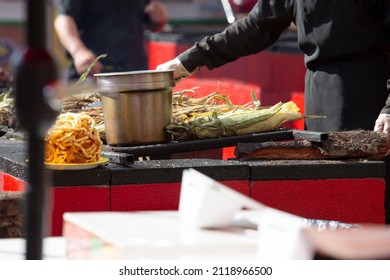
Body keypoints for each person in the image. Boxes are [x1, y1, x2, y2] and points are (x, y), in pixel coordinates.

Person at [157, 0, 390, 135]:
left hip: (372, 97)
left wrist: (389, 109)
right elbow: (256, 27)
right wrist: (186, 62)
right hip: (318, 97)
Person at [53, 0, 168, 80]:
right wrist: (78, 51)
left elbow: (154, 23)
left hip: (134, 73)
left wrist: (159, 18)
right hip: (92, 73)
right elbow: (64, 18)